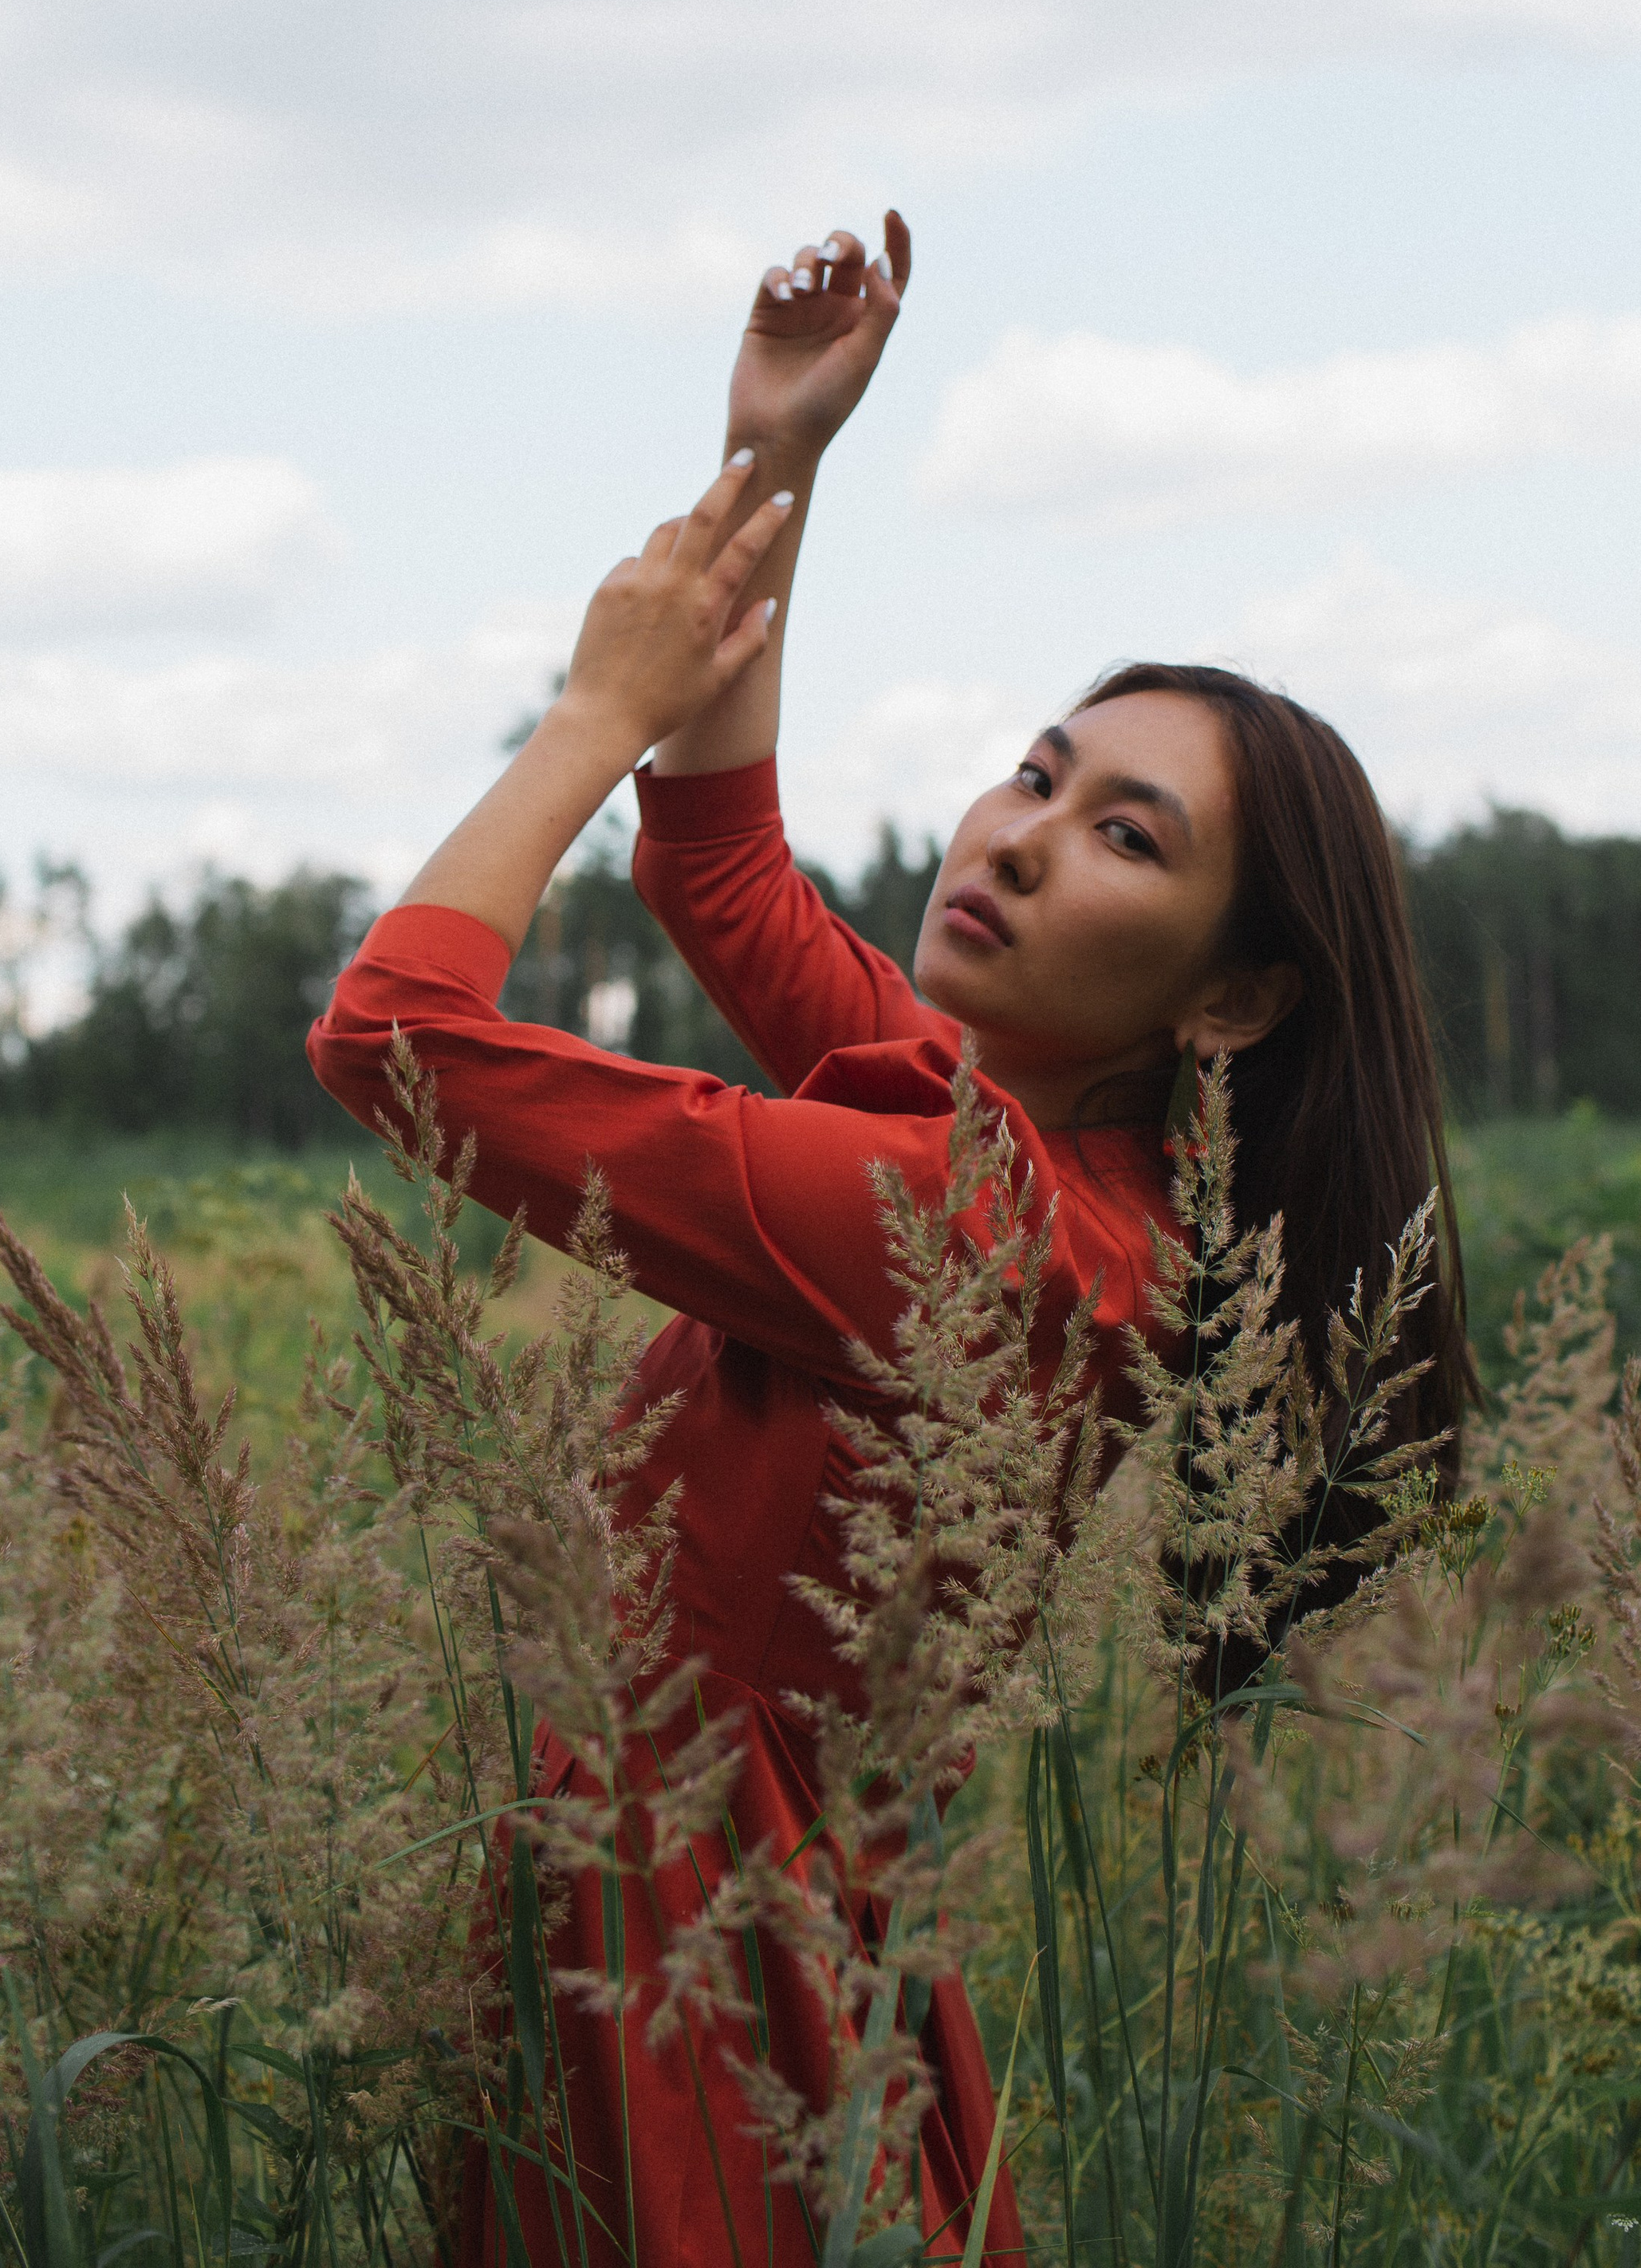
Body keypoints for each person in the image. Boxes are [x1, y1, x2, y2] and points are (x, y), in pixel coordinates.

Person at [306, 215, 1474, 2267]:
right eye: (1037, 771)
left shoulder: (960, 1226)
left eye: (1125, 834)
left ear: (1233, 1000)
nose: (1014, 830)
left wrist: (590, 713)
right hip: (740, 1922)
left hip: (683, 1950)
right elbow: (732, 869)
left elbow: (396, 1041)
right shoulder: (1036, 1168)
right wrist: (774, 459)